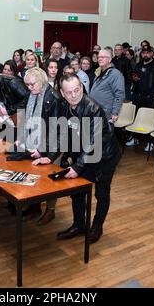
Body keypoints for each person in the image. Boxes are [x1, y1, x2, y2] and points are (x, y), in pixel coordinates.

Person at [33, 74, 122, 244]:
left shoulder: (93, 108)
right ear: (63, 93)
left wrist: (77, 167)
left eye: (76, 90)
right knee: (77, 192)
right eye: (69, 92)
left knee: (102, 193)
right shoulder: (64, 107)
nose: (74, 95)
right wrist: (49, 156)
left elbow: (94, 143)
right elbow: (62, 135)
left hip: (105, 156)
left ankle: (97, 227)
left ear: (81, 87)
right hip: (85, 155)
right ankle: (79, 225)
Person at [21, 67, 62, 225]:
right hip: (35, 142)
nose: (29, 88)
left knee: (51, 180)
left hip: (53, 147)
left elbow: (55, 130)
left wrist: (43, 150)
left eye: (31, 84)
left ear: (41, 81)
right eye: (27, 85)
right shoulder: (34, 94)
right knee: (35, 176)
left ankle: (50, 210)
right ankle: (35, 206)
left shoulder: (53, 97)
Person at [89, 49, 125, 124]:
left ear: (109, 59)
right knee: (94, 135)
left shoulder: (116, 74)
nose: (99, 59)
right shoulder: (99, 72)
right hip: (94, 111)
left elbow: (119, 94)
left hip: (105, 113)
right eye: (98, 57)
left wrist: (115, 112)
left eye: (102, 57)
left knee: (101, 135)